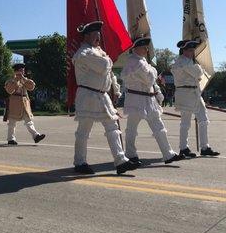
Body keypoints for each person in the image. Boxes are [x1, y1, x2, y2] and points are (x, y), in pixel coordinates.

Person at [72, 21, 137, 175]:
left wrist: (115, 89)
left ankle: (120, 161)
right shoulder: (84, 53)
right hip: (88, 96)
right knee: (83, 131)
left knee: (112, 128)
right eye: (95, 34)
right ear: (87, 35)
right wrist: (107, 57)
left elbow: (109, 73)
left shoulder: (97, 52)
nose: (98, 37)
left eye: (99, 34)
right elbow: (104, 66)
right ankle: (79, 162)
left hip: (101, 95)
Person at [121, 37, 183, 166]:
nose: (146, 49)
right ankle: (130, 154)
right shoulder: (133, 62)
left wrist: (158, 93)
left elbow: (152, 81)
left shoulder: (143, 62)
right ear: (135, 48)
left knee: (159, 127)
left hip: (149, 99)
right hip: (136, 100)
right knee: (132, 129)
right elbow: (149, 78)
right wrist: (152, 71)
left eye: (146, 47)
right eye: (143, 47)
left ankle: (168, 154)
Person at [171, 39, 220, 157]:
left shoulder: (189, 63)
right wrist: (198, 69)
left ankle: (204, 147)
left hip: (195, 92)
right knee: (185, 123)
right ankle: (183, 148)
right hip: (185, 93)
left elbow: (197, 74)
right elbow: (198, 73)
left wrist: (197, 70)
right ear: (183, 50)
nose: (192, 52)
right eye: (189, 50)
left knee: (203, 119)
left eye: (193, 50)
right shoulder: (181, 62)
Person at [4, 63, 45, 145]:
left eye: (23, 71)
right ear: (15, 72)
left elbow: (31, 87)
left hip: (24, 103)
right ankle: (10, 139)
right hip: (14, 103)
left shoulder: (25, 80)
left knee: (28, 121)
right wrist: (15, 80)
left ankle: (36, 136)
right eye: (20, 71)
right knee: (12, 122)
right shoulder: (10, 80)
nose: (22, 72)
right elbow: (9, 90)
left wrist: (24, 79)